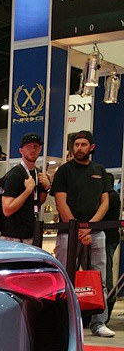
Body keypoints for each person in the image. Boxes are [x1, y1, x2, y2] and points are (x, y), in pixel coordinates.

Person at [51, 130, 112, 337]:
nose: (79, 148)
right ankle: (63, 322)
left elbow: (105, 203)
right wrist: (77, 229)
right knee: (65, 279)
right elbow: (60, 203)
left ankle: (98, 323)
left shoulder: (99, 171)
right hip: (69, 234)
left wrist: (90, 227)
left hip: (95, 233)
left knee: (98, 279)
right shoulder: (64, 171)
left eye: (83, 145)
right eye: (76, 145)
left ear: (91, 147)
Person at [1, 133, 51, 244]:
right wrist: (27, 191)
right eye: (28, 147)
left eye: (35, 147)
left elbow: (36, 203)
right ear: (21, 150)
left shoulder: (38, 173)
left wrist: (46, 188)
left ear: (40, 149)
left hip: (31, 234)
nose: (32, 150)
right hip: (13, 237)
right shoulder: (14, 175)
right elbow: (7, 209)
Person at [103, 173, 122, 322]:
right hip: (111, 237)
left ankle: (108, 300)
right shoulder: (115, 196)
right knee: (106, 270)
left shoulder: (110, 197)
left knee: (106, 272)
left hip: (108, 237)